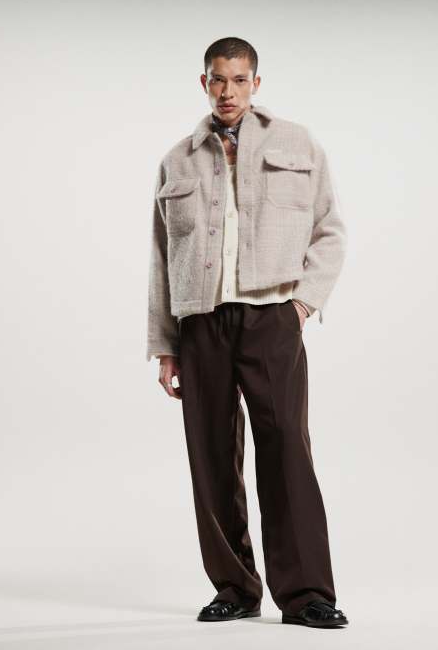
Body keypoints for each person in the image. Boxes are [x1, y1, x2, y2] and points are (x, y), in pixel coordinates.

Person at [146, 36, 349, 629]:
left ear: (255, 83)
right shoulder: (177, 160)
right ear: (204, 83)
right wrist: (165, 346)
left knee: (286, 450)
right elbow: (160, 259)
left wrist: (302, 304)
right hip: (200, 322)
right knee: (211, 455)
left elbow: (330, 230)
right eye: (218, 79)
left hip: (271, 317)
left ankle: (306, 594)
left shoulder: (297, 143)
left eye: (239, 79)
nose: (228, 91)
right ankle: (234, 587)